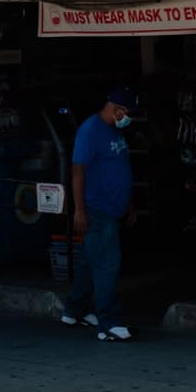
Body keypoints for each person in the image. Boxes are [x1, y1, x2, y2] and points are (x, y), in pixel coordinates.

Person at [60, 88, 137, 342]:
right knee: (107, 263)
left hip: (113, 207)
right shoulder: (90, 131)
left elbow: (121, 167)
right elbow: (77, 173)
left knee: (90, 261)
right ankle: (108, 323)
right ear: (117, 109)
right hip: (97, 209)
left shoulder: (114, 129)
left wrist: (129, 204)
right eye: (127, 113)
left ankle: (74, 310)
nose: (129, 118)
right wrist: (79, 210)